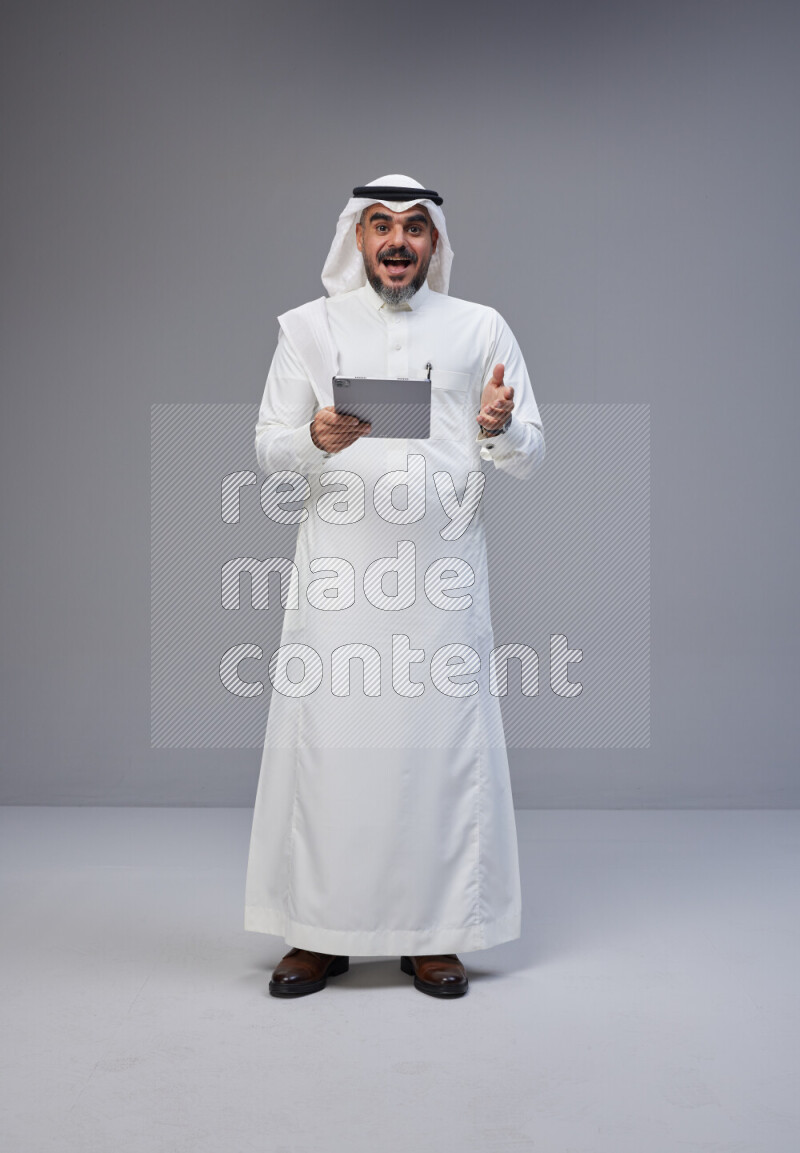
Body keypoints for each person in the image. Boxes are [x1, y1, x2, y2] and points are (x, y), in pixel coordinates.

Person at [244, 174, 545, 998]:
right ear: (357, 237)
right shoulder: (308, 330)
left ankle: (433, 934)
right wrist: (314, 434)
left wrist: (500, 426)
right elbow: (268, 445)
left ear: (436, 241)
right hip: (339, 579)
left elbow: (533, 450)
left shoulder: (482, 328)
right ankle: (317, 934)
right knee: (330, 753)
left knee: (436, 753)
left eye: (415, 226)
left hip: (442, 582)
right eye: (381, 225)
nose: (398, 240)